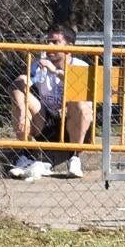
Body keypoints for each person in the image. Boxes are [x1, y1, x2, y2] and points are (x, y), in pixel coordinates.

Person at [10, 26, 98, 179]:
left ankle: (74, 157)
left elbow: (87, 95)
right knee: (21, 94)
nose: (49, 46)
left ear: (69, 46)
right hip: (46, 123)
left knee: (81, 102)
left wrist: (56, 72)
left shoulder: (80, 66)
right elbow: (19, 83)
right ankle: (26, 153)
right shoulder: (39, 65)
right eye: (48, 41)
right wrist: (22, 109)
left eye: (55, 42)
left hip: (73, 124)